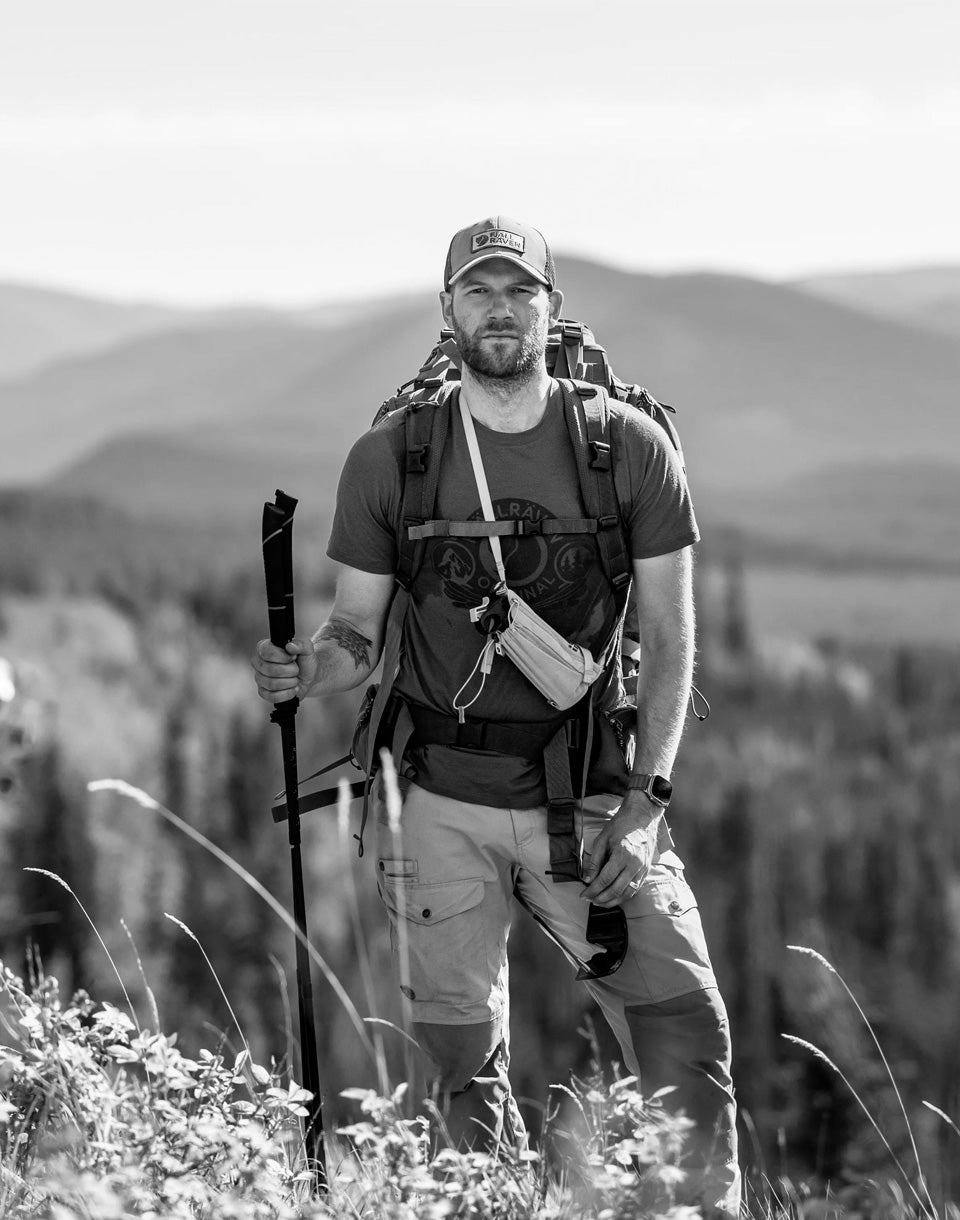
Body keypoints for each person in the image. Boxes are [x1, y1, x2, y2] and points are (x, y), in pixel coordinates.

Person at [253, 216, 740, 1213]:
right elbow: (358, 631)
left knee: (684, 1031)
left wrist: (648, 801)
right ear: (448, 312)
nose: (500, 307)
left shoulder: (626, 449)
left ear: (551, 311)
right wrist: (307, 669)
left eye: (520, 290)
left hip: (596, 794)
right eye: (479, 290)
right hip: (436, 799)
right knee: (460, 1068)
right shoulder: (394, 456)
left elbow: (674, 637)